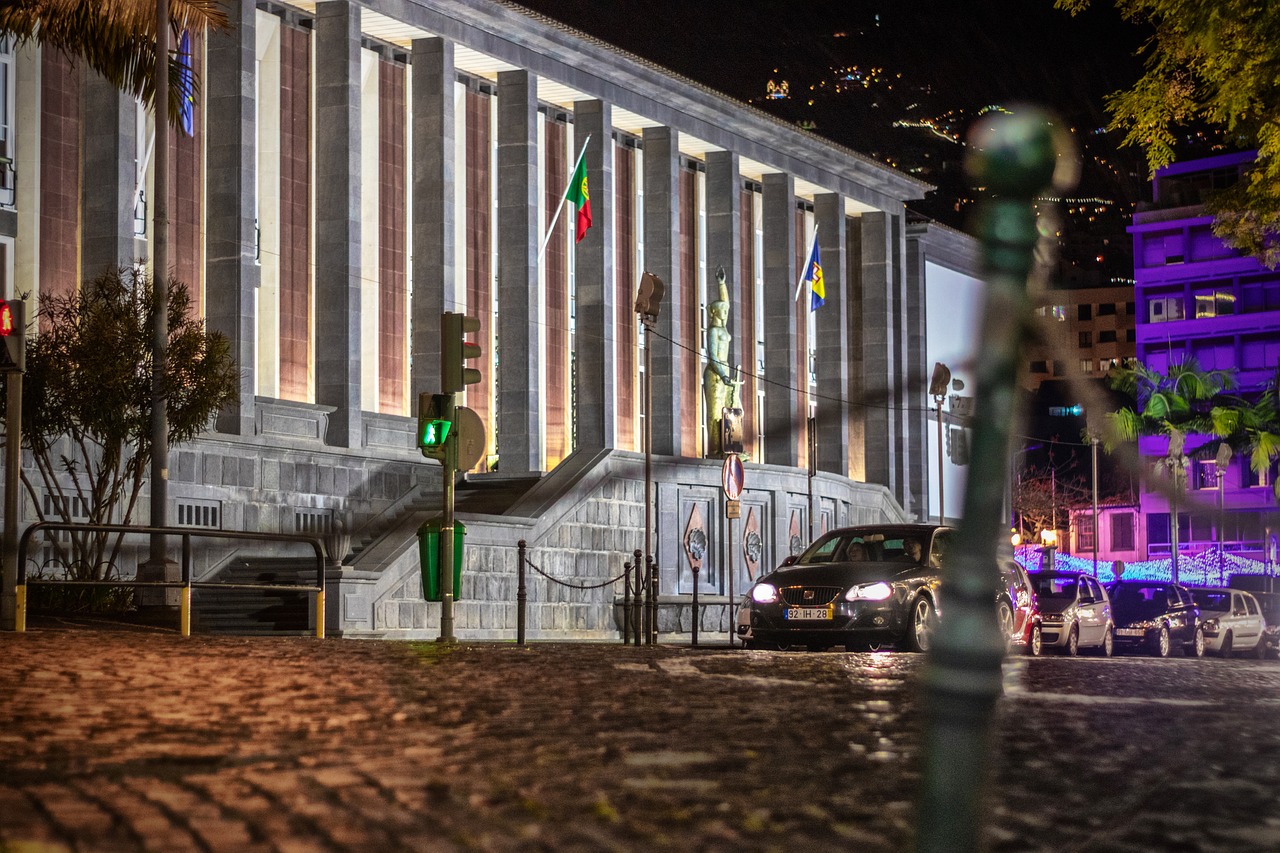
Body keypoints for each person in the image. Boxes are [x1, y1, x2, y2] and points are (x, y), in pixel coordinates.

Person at [704, 266, 743, 457]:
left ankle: (732, 447)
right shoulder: (712, 331)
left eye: (726, 311)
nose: (725, 314)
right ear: (714, 313)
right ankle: (715, 448)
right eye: (722, 311)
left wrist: (722, 284)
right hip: (715, 373)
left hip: (726, 373)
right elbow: (712, 356)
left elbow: (725, 302)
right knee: (716, 412)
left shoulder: (723, 328)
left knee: (735, 408)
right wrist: (723, 375)